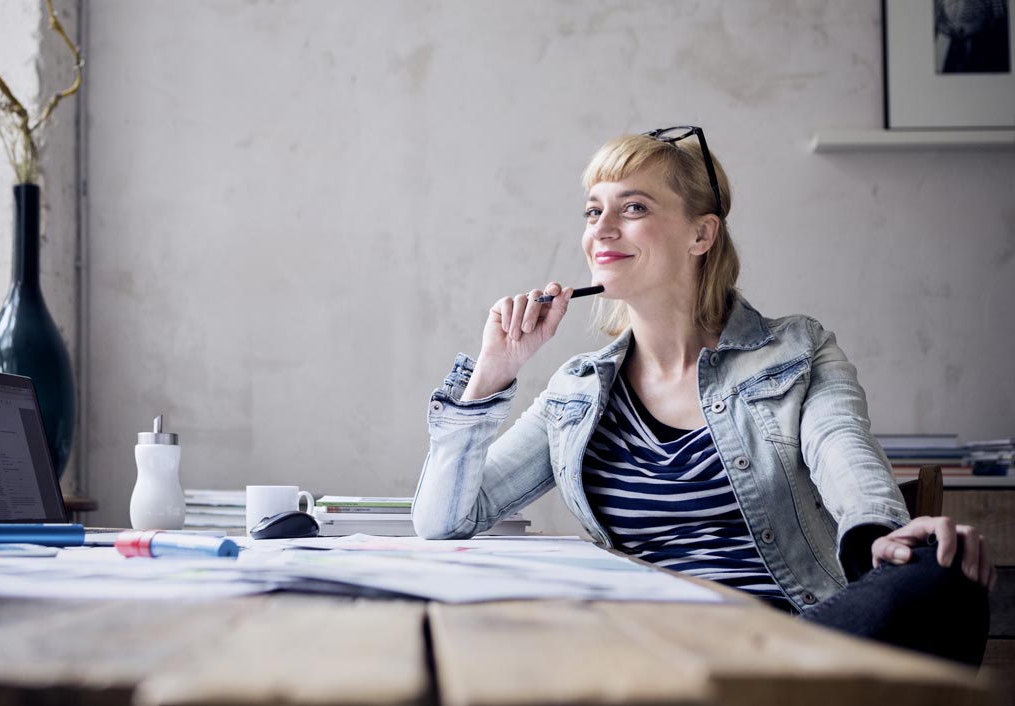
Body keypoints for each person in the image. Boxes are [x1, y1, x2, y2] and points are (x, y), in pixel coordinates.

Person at [411, 126, 993, 666]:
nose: (602, 229)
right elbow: (443, 521)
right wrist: (491, 375)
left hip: (796, 638)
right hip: (649, 652)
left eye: (633, 207)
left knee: (942, 575)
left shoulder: (795, 350)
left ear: (701, 233)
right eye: (594, 211)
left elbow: (846, 456)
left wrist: (883, 533)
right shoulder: (577, 391)